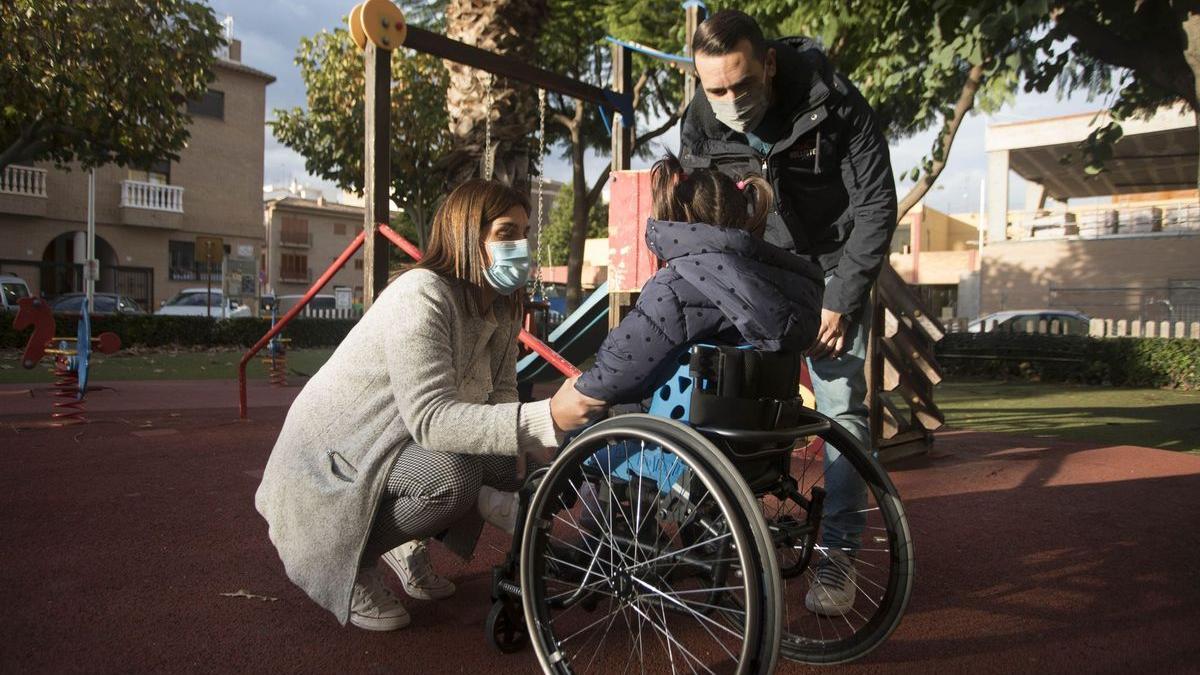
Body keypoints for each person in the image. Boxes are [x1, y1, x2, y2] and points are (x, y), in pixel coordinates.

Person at [255, 179, 605, 632]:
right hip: (337, 454)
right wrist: (547, 417)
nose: (520, 245)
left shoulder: (499, 306)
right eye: (505, 233)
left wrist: (543, 442)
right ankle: (355, 560)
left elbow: (501, 392)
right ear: (465, 233)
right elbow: (431, 417)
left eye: (524, 232)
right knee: (453, 479)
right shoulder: (422, 295)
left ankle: (408, 538)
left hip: (398, 443)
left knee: (503, 469)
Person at [680, 9, 898, 616]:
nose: (728, 100)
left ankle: (838, 555)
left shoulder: (834, 101)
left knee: (839, 410)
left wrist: (843, 295)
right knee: (733, 398)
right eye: (714, 88)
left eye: (740, 85)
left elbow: (878, 200)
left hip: (832, 267)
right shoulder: (700, 121)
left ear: (769, 63)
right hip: (757, 269)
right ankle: (740, 532)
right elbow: (700, 213)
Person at [575, 154, 823, 406]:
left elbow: (613, 376)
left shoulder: (675, 288)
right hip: (759, 436)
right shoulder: (781, 282)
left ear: (678, 217)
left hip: (677, 431)